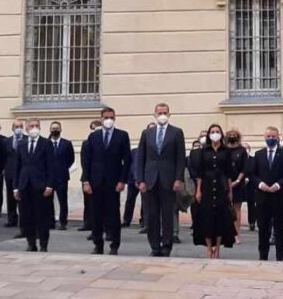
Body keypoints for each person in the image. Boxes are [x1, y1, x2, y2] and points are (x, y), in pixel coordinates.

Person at [137, 103, 186, 257]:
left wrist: (178, 179)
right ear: (155, 115)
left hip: (168, 179)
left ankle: (166, 246)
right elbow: (141, 157)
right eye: (159, 112)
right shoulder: (147, 133)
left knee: (167, 215)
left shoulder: (176, 133)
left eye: (165, 112)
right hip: (150, 179)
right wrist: (141, 180)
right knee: (151, 216)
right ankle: (154, 246)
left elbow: (180, 158)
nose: (162, 115)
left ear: (169, 114)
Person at [82, 108, 130, 255]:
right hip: (96, 182)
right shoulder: (94, 137)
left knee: (113, 214)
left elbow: (127, 161)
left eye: (111, 117)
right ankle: (98, 243)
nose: (109, 120)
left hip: (113, 182)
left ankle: (114, 244)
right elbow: (87, 160)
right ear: (101, 119)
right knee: (96, 214)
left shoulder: (122, 135)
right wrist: (86, 181)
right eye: (106, 117)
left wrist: (122, 180)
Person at [248, 127, 283, 261]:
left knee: (279, 229)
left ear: (278, 137)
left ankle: (280, 257)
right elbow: (252, 174)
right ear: (264, 137)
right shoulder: (259, 154)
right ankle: (263, 256)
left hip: (278, 196)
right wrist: (260, 184)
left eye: (273, 136)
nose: (271, 139)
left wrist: (279, 185)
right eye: (268, 136)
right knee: (263, 228)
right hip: (262, 197)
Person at [194, 124, 236, 258]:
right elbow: (199, 173)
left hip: (221, 186)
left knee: (220, 217)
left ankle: (217, 248)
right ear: (209, 135)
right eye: (212, 131)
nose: (215, 133)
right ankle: (208, 248)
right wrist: (198, 190)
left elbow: (229, 173)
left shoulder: (227, 151)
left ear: (221, 134)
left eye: (217, 131)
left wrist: (230, 191)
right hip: (206, 186)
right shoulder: (204, 151)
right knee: (206, 217)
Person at [13, 118, 53, 252]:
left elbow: (51, 166)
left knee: (42, 216)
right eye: (31, 126)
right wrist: (15, 187)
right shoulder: (22, 144)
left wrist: (50, 185)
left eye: (36, 126)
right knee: (26, 216)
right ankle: (31, 243)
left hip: (41, 186)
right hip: (25, 185)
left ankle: (43, 244)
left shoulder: (46, 143)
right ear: (27, 129)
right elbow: (17, 167)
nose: (34, 128)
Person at [47, 121, 74, 231]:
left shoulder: (67, 143)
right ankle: (50, 222)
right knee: (48, 201)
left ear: (61, 129)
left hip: (62, 176)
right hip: (48, 177)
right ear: (50, 130)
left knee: (63, 200)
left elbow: (71, 159)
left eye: (57, 128)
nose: (55, 130)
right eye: (53, 128)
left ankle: (63, 222)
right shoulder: (46, 143)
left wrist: (62, 168)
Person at [78, 120, 102, 233]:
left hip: (102, 178)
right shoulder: (86, 143)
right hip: (88, 177)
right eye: (93, 129)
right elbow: (84, 161)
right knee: (88, 203)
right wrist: (85, 180)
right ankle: (88, 223)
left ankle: (102, 227)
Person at [225, 129, 248, 242]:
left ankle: (236, 234)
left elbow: (244, 168)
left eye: (234, 135)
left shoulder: (242, 150)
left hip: (238, 184)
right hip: (225, 184)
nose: (232, 137)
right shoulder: (223, 150)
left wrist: (237, 181)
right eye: (230, 135)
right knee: (224, 209)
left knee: (236, 209)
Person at [3, 120, 25, 232]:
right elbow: (3, 157)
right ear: (12, 128)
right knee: (10, 196)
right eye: (16, 126)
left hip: (23, 173)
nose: (19, 128)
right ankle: (12, 219)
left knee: (23, 196)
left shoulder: (27, 140)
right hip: (10, 172)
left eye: (21, 126)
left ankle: (24, 219)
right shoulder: (7, 141)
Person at [241, 141, 256, 231]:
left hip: (250, 186)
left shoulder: (253, 160)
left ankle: (252, 222)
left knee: (251, 204)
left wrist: (249, 178)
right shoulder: (238, 158)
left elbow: (254, 171)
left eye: (247, 148)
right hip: (240, 185)